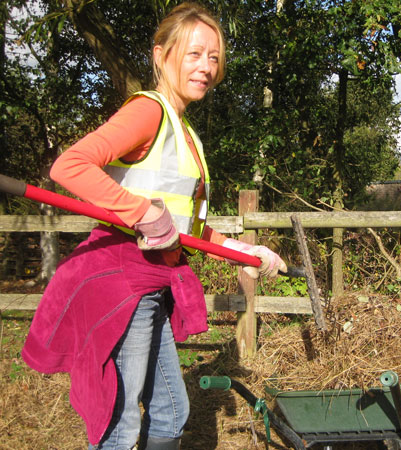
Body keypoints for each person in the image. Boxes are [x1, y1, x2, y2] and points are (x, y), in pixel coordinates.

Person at [21, 3, 287, 449]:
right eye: (194, 54)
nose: (205, 67)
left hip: (153, 283)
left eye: (214, 57)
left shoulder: (185, 133)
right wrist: (139, 210)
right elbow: (70, 166)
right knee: (120, 424)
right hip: (122, 281)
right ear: (161, 56)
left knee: (171, 411)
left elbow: (189, 229)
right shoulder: (149, 112)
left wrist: (246, 251)